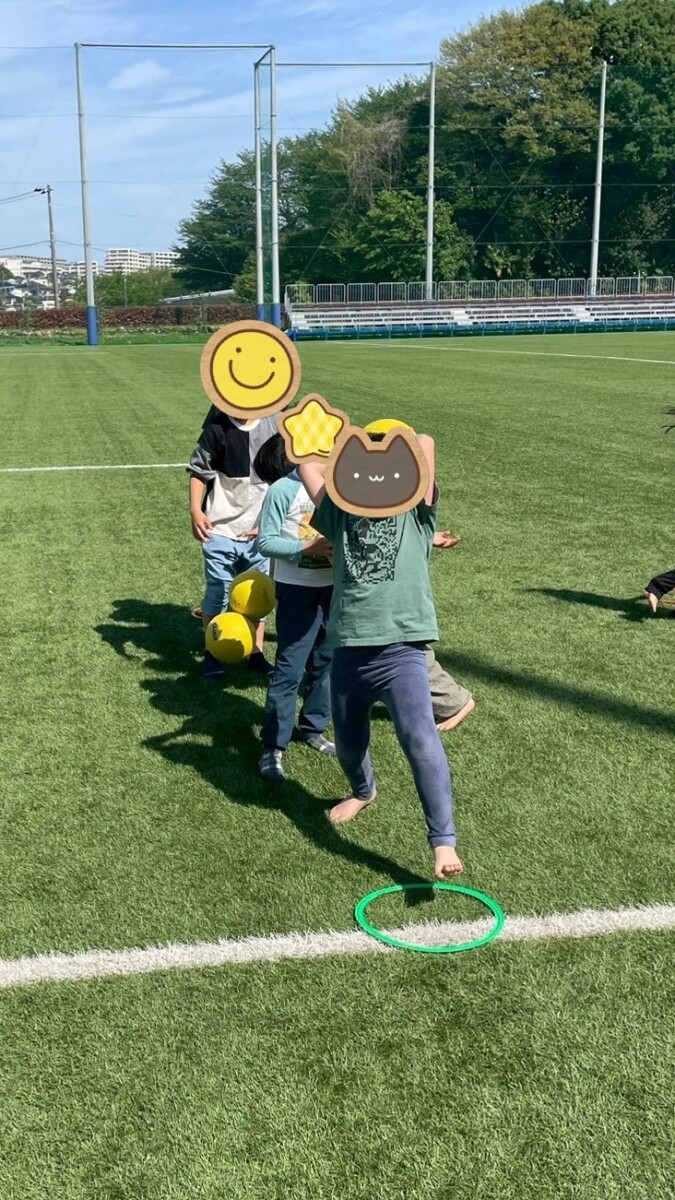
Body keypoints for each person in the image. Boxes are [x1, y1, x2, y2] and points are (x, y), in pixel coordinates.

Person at [299, 433, 463, 881]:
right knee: (350, 744)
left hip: (401, 650)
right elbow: (307, 467)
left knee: (419, 739)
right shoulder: (341, 512)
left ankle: (443, 840)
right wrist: (337, 453)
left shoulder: (417, 514)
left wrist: (395, 444)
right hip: (349, 649)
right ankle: (363, 790)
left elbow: (426, 443)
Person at [253, 435, 336, 780]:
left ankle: (314, 727)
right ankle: (273, 746)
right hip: (297, 590)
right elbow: (266, 542)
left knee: (327, 662)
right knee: (289, 669)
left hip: (334, 589)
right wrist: (308, 548)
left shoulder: (336, 484)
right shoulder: (282, 490)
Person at [187, 408, 278, 678]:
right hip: (220, 529)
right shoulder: (217, 428)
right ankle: (212, 651)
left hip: (259, 532)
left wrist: (269, 524)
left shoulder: (274, 423)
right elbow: (198, 471)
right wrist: (195, 510)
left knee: (257, 595)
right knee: (218, 591)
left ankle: (256, 652)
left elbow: (285, 474)